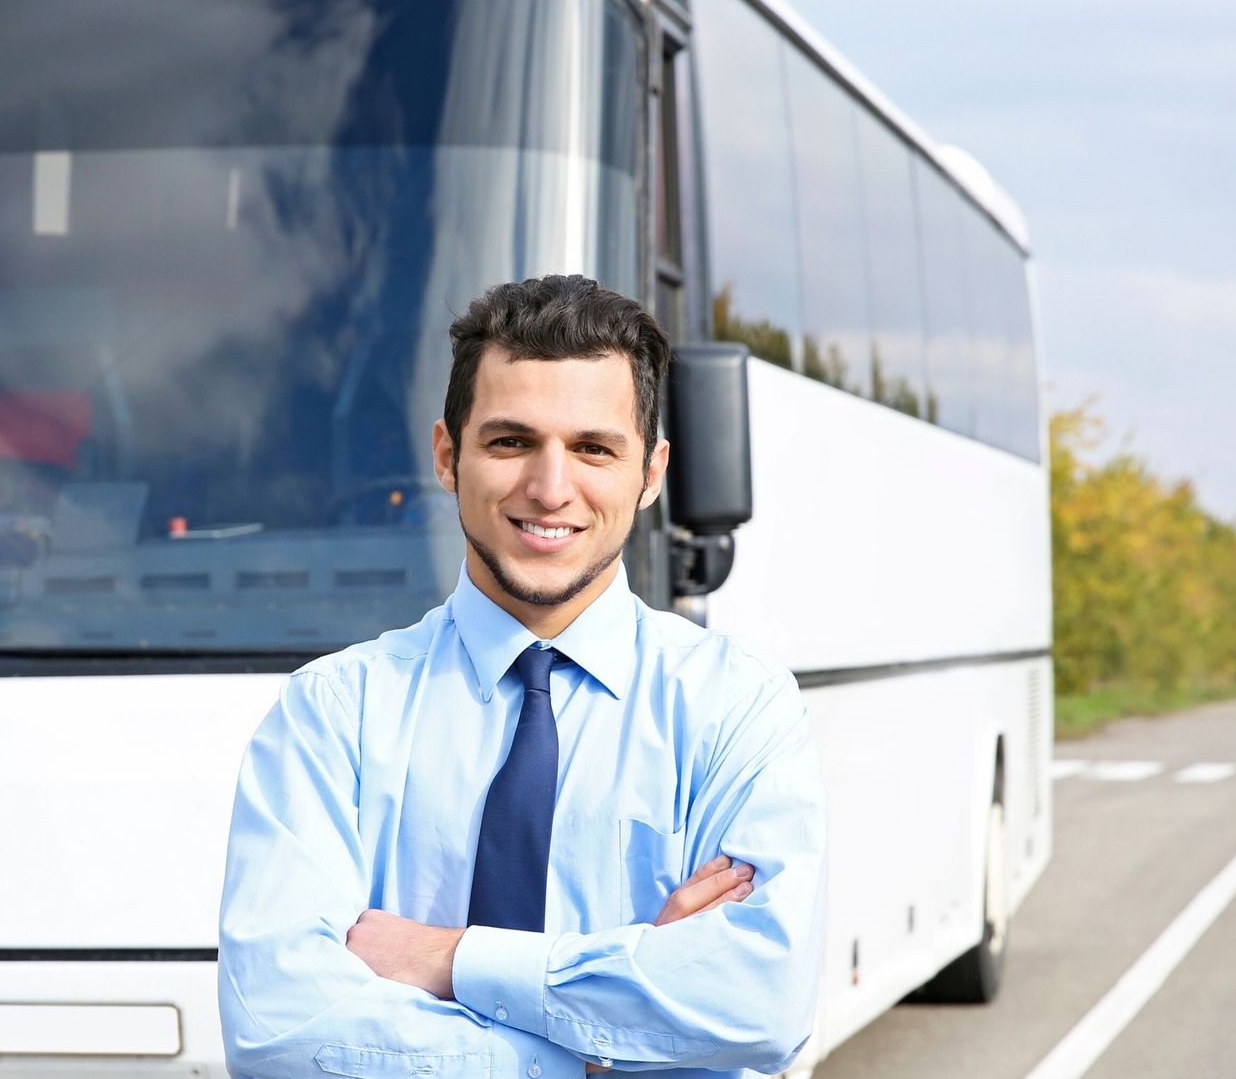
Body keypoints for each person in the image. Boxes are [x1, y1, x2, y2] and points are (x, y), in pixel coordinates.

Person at [219, 274, 826, 1078]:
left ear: (651, 473)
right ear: (448, 456)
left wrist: (450, 959)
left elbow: (762, 1003)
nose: (549, 489)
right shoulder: (332, 712)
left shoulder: (735, 706)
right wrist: (607, 1033)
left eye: (594, 448)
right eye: (510, 442)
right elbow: (275, 1025)